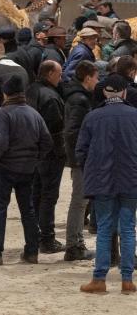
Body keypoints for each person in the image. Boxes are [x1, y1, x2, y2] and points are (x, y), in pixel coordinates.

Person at [0, 75, 52, 266]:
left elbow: (0, 142)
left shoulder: (3, 113)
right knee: (28, 210)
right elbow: (47, 141)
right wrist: (36, 158)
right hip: (27, 169)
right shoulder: (34, 114)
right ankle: (31, 252)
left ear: (6, 94)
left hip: (5, 168)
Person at [77, 74, 137, 295]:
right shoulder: (135, 115)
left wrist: (91, 170)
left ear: (104, 92)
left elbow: (81, 151)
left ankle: (99, 279)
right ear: (124, 92)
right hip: (131, 179)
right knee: (128, 229)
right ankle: (127, 280)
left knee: (104, 228)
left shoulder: (93, 117)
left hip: (102, 180)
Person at [26, 60, 66, 254]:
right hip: (49, 154)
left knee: (36, 194)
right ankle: (47, 239)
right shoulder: (50, 96)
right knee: (49, 196)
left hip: (32, 152)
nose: (61, 78)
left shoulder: (30, 90)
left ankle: (35, 236)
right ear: (50, 73)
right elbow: (55, 128)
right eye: (59, 74)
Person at [62, 60, 98, 261]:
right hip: (81, 159)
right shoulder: (79, 99)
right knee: (79, 202)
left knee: (81, 202)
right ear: (87, 78)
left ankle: (76, 243)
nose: (97, 81)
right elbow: (73, 131)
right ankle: (73, 246)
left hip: (80, 157)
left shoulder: (79, 97)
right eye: (95, 78)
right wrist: (80, 158)